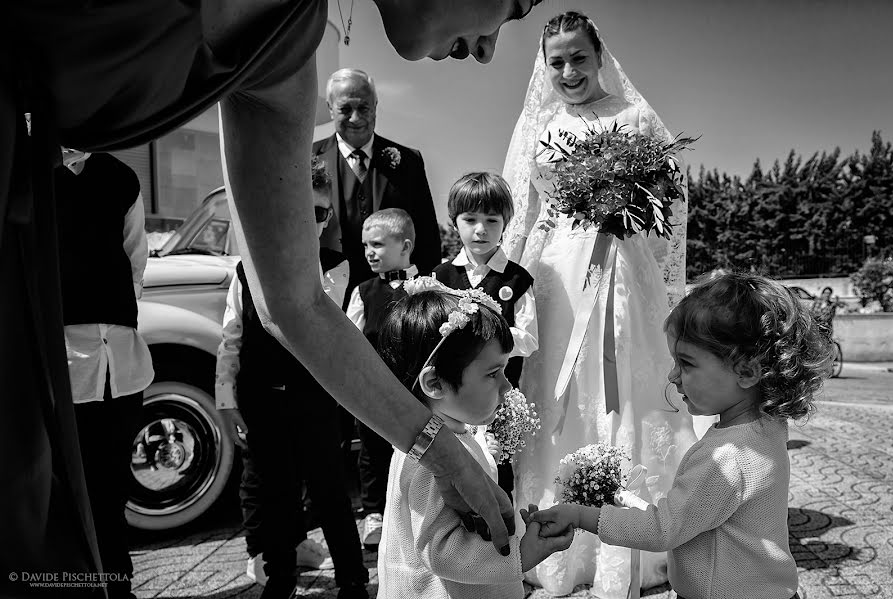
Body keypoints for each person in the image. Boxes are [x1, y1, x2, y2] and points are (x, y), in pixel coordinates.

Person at [3, 1, 542, 585]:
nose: (489, 48)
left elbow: (296, 302)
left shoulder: (287, 50)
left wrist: (440, 451)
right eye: (515, 5)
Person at [499, 11, 700, 596]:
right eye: (556, 61)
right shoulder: (539, 123)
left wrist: (634, 214)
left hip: (625, 272)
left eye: (578, 57)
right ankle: (561, 541)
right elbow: (520, 213)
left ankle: (637, 538)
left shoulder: (633, 117)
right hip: (559, 277)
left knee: (625, 391)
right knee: (561, 395)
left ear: (599, 56)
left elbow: (671, 201)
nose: (568, 70)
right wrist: (501, 290)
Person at [525, 271, 834, 599]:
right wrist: (626, 499)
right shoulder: (767, 428)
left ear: (746, 371)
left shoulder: (726, 457)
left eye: (686, 363)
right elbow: (695, 514)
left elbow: (663, 530)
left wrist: (579, 515)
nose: (673, 376)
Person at [215, 158, 367, 599]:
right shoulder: (248, 269)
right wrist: (226, 397)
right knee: (274, 492)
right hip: (261, 397)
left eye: (319, 213)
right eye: (301, 210)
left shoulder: (339, 269)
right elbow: (231, 339)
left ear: (327, 218)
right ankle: (279, 577)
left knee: (330, 492)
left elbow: (339, 336)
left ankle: (352, 579)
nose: (310, 221)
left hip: (315, 399)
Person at [375, 279, 575, 599]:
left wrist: (486, 452)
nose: (507, 387)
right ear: (436, 383)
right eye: (493, 373)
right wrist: (521, 553)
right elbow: (440, 550)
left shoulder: (453, 429)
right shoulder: (427, 463)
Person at [56, 150, 153, 599]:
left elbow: (135, 259)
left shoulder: (121, 176)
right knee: (63, 492)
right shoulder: (29, 165)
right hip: (58, 360)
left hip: (119, 360)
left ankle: (118, 587)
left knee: (112, 488)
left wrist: (111, 305)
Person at [432, 172, 538, 499]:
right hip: (451, 398)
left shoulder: (518, 279)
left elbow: (530, 340)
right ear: (455, 222)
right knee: (454, 470)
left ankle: (499, 538)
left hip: (498, 396)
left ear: (505, 223)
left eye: (492, 220)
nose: (481, 229)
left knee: (496, 471)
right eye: (470, 219)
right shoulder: (442, 276)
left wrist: (486, 331)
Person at [314, 68, 441, 308]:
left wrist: (426, 300)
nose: (355, 118)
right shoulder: (307, 158)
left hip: (395, 301)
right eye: (344, 109)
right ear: (330, 108)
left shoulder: (409, 162)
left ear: (375, 105)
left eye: (363, 108)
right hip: (328, 300)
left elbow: (427, 238)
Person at [345, 208, 419, 550]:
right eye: (364, 246)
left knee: (415, 450)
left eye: (376, 244)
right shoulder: (364, 292)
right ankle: (374, 514)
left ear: (404, 247)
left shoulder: (426, 286)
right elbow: (350, 340)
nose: (368, 253)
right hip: (376, 391)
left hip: (416, 391)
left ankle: (417, 512)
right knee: (372, 453)